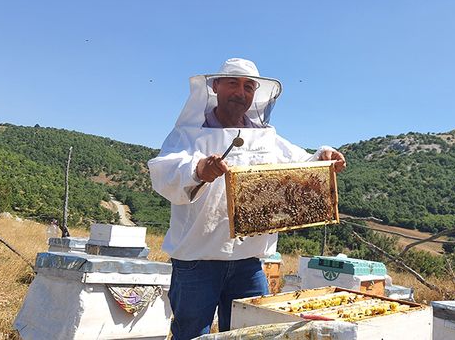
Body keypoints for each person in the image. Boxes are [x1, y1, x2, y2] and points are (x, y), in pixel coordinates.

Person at [148, 58, 346, 339]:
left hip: (248, 261)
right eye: (233, 83)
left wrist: (325, 157)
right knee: (191, 333)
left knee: (252, 333)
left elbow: (302, 165)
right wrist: (198, 169)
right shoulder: (189, 134)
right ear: (216, 86)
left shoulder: (266, 138)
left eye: (248, 86)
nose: (241, 92)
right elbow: (164, 171)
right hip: (197, 260)